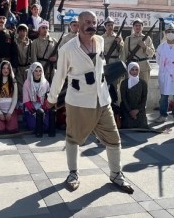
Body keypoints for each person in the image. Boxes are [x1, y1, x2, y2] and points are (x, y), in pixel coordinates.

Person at [46, 11, 134, 194]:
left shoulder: (100, 41)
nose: (91, 25)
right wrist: (52, 99)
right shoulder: (68, 49)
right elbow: (59, 76)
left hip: (102, 100)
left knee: (114, 139)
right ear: (78, 24)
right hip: (78, 102)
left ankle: (116, 174)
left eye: (94, 22)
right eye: (87, 22)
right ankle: (73, 174)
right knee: (73, 138)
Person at [0, 60, 19, 133]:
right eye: (3, 68)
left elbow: (15, 98)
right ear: (0, 69)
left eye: (8, 68)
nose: (6, 70)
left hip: (10, 111)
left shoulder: (14, 82)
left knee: (12, 129)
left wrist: (10, 112)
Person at [23, 62, 51, 137]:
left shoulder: (46, 83)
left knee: (47, 127)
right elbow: (26, 100)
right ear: (32, 72)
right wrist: (34, 112)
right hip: (31, 109)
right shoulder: (27, 83)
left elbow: (47, 98)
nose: (38, 73)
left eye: (40, 71)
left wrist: (43, 111)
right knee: (33, 127)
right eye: (36, 71)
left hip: (42, 109)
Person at [125, 19, 155, 84]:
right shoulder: (128, 39)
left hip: (144, 66)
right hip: (132, 66)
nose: (138, 27)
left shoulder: (147, 38)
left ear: (142, 27)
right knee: (131, 86)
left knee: (144, 86)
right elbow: (124, 54)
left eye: (139, 25)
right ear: (133, 27)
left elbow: (152, 53)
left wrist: (145, 47)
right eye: (136, 25)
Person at [120, 62, 148, 129]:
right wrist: (130, 111)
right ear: (129, 70)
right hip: (127, 110)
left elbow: (144, 98)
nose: (134, 72)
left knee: (142, 126)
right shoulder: (124, 83)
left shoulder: (142, 83)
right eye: (132, 70)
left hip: (139, 110)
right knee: (127, 125)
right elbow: (123, 98)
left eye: (136, 70)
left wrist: (137, 110)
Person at [11, 24, 33, 89]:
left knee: (28, 87)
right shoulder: (14, 42)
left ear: (26, 32)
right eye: (20, 31)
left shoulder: (30, 43)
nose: (22, 33)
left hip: (28, 67)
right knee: (19, 87)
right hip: (18, 68)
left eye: (24, 31)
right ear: (18, 32)